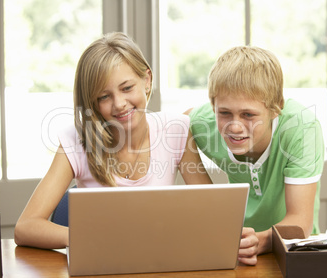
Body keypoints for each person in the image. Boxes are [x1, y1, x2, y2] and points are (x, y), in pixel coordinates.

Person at [14, 32, 211, 249]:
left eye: (127, 88)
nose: (119, 104)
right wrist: (89, 238)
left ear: (147, 81)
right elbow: (25, 227)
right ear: (92, 102)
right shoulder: (77, 141)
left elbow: (214, 211)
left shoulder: (176, 130)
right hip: (100, 263)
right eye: (104, 97)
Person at [187, 46, 325, 265]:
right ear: (213, 106)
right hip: (237, 252)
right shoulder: (202, 123)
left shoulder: (301, 128)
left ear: (275, 108)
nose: (235, 127)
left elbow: (301, 222)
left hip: (293, 251)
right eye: (224, 113)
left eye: (248, 115)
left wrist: (259, 241)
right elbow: (173, 126)